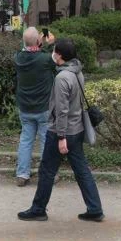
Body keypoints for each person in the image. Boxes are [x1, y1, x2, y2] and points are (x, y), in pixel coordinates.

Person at [18, 38, 104, 222]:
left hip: (61, 131)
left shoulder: (62, 78)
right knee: (82, 170)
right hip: (77, 129)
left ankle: (38, 209)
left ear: (60, 56)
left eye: (55, 51)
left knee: (47, 170)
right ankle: (95, 208)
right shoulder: (77, 72)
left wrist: (61, 136)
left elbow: (61, 111)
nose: (53, 54)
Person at [14, 27, 56, 186]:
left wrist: (35, 41)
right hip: (44, 107)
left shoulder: (18, 58)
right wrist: (50, 44)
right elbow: (56, 61)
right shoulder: (45, 59)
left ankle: (22, 175)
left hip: (25, 107)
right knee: (46, 140)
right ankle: (46, 175)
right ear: (38, 42)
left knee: (26, 140)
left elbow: (27, 49)